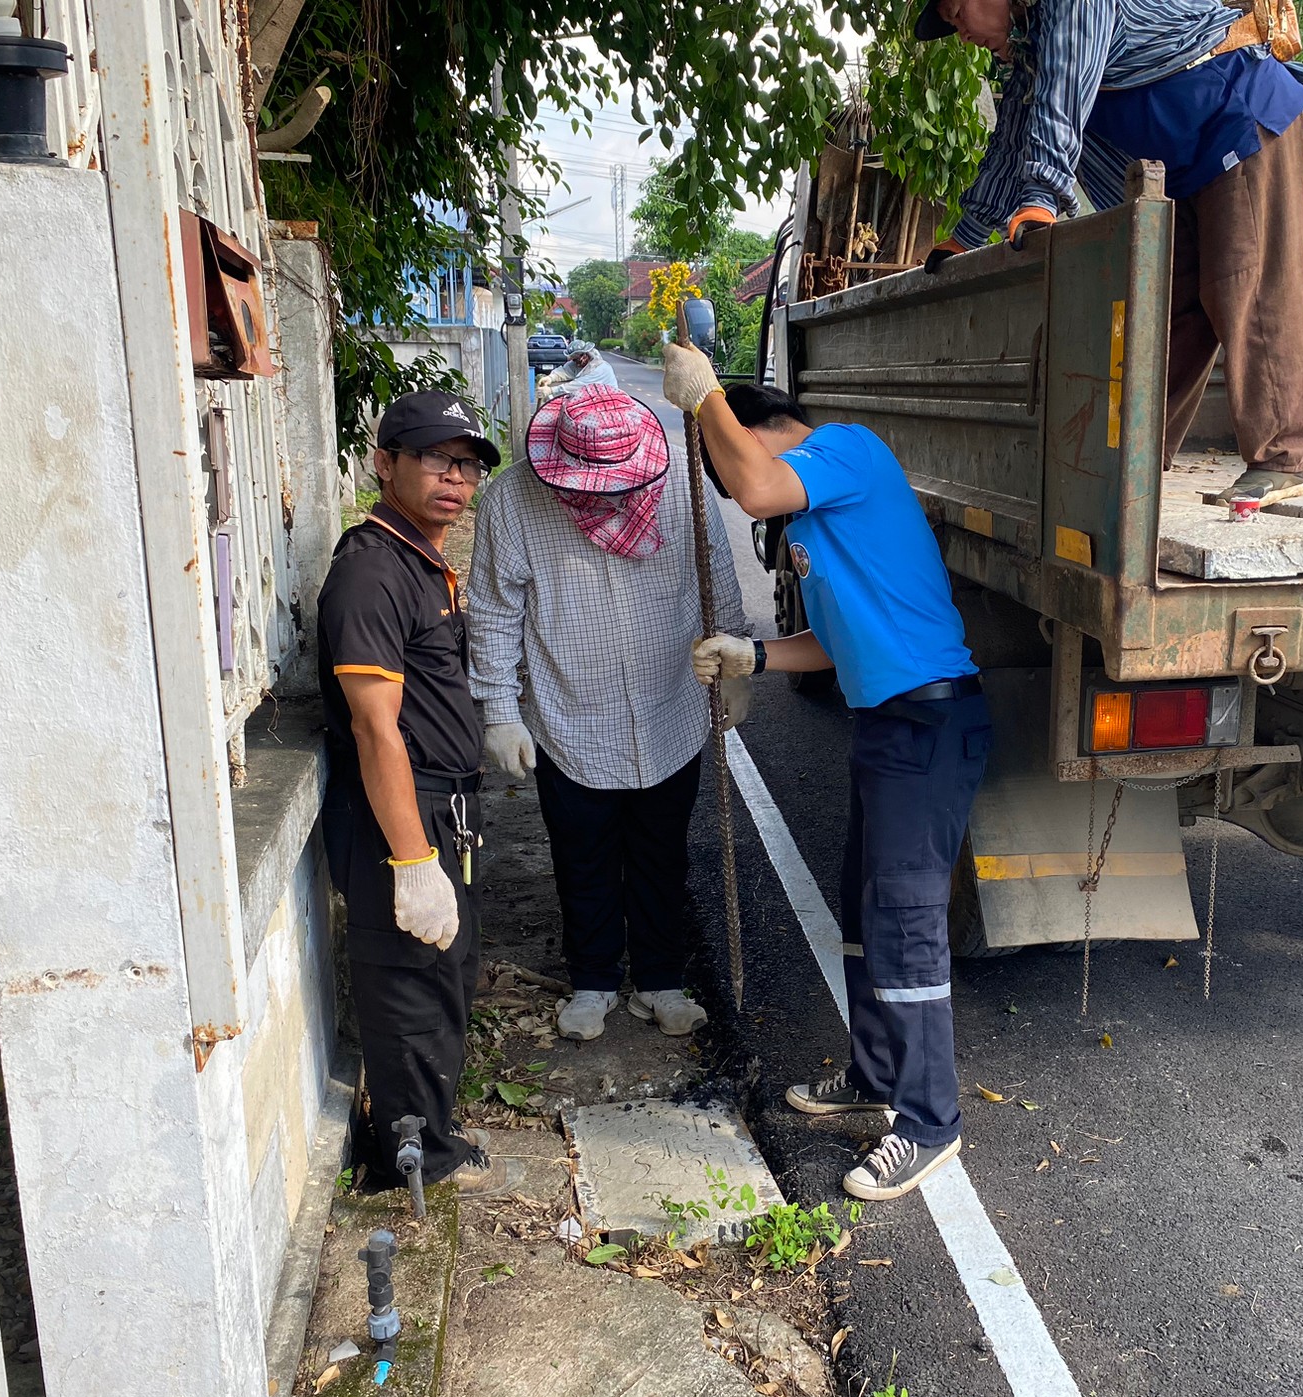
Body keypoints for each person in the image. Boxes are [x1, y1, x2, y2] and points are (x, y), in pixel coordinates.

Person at [662, 356, 989, 1203]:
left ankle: (930, 1122)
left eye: (737, 457)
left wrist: (704, 397)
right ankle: (876, 1075)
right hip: (886, 722)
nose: (748, 500)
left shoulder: (846, 449)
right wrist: (756, 654)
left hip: (929, 720)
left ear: (763, 428)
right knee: (865, 909)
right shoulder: (818, 519)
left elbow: (755, 485)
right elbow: (839, 643)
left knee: (906, 922)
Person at [919, 0, 1303, 508]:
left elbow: (1065, 88)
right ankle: (1133, 459)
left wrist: (1043, 194)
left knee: (1246, 280)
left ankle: (1282, 458)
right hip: (1184, 164)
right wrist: (968, 234)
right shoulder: (1030, 50)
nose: (962, 33)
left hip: (1237, 114)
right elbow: (1013, 136)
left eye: (958, 12)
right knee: (1163, 307)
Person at [467, 384, 751, 1042]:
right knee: (582, 854)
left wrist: (736, 669)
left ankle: (660, 981)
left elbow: (718, 575)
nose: (608, 498)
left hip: (670, 706)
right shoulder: (512, 500)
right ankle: (593, 980)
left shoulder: (684, 483)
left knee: (662, 853)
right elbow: (493, 611)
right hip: (569, 714)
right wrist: (499, 709)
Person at [318, 391, 515, 1197]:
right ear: (385, 462)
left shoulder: (419, 559)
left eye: (467, 465)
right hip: (403, 812)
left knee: (444, 976)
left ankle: (432, 1136)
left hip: (445, 807)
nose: (455, 479)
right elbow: (375, 729)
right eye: (436, 459)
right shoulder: (372, 570)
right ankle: (411, 1162)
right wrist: (410, 858)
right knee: (408, 981)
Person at [537, 338, 618, 402]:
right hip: (592, 401)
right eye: (574, 360)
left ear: (585, 354)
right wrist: (551, 378)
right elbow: (565, 371)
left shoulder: (600, 368)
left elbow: (577, 386)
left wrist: (551, 390)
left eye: (576, 359)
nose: (576, 362)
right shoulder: (578, 363)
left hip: (609, 400)